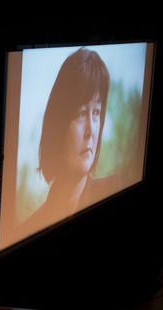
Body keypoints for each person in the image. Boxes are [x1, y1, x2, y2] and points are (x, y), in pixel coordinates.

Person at [21, 47, 120, 231]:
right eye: (81, 113)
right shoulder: (28, 230)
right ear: (59, 126)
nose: (91, 130)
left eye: (96, 112)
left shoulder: (115, 189)